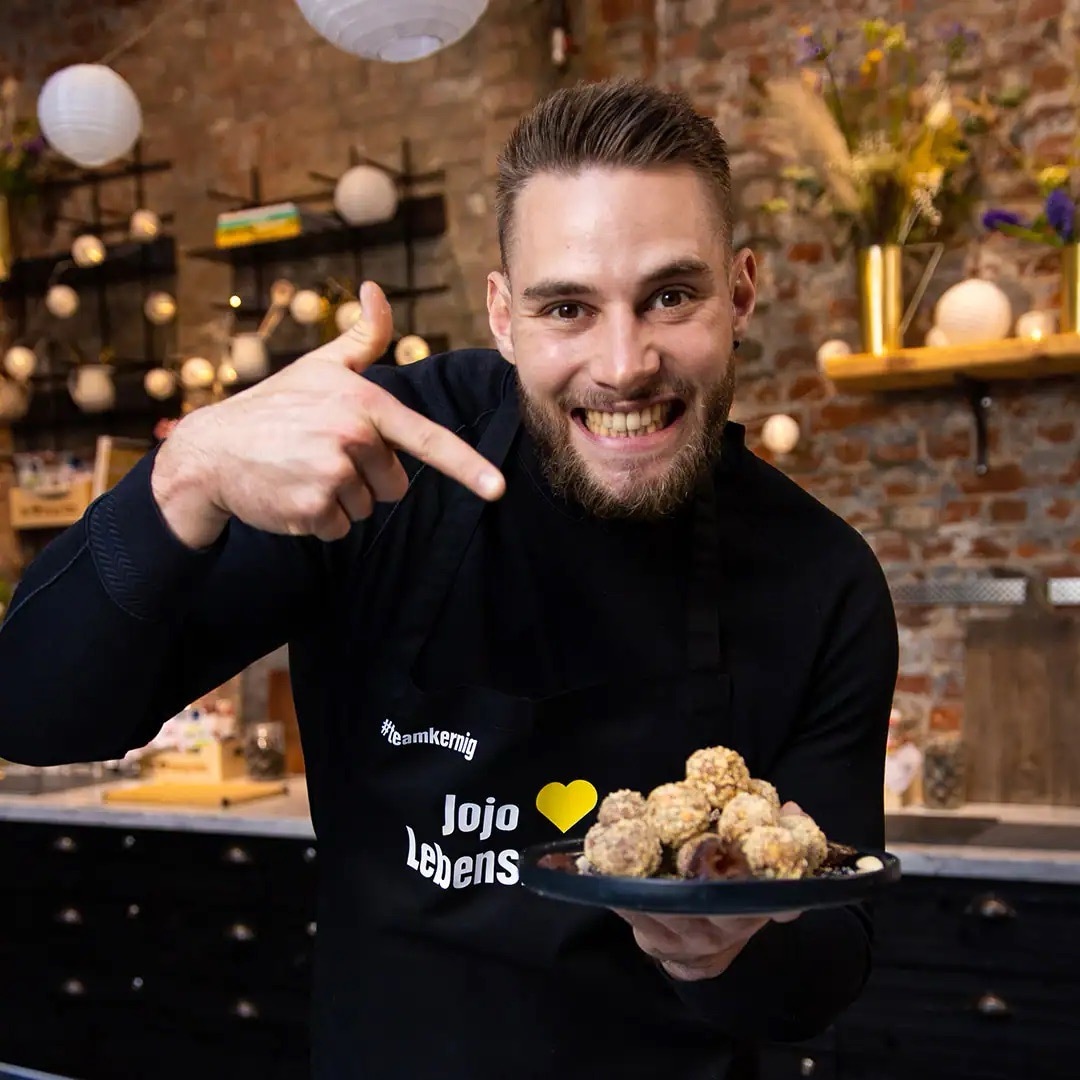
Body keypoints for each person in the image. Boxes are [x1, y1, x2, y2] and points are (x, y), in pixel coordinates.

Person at [0, 79, 898, 1079]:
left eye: (671, 296)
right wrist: (185, 474)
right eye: (568, 307)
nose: (624, 362)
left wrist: (723, 953)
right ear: (505, 316)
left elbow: (827, 966)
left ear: (740, 292)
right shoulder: (379, 463)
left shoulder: (823, 579)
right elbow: (31, 714)